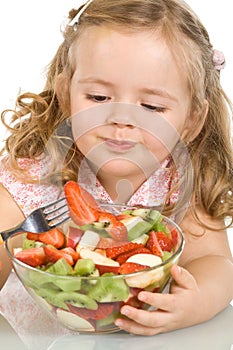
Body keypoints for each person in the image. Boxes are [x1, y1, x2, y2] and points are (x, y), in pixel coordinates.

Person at [0, 0, 233, 342]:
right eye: (98, 97)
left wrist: (195, 302)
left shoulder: (180, 181)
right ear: (66, 96)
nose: (122, 118)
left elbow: (216, 263)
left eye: (151, 106)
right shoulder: (32, 178)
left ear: (192, 121)